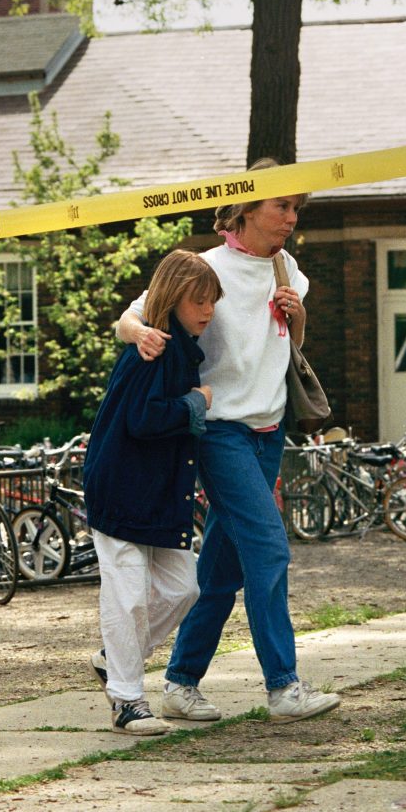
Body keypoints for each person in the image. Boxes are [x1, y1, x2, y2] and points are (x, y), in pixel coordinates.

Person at [116, 159, 341, 724]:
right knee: (268, 546)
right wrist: (142, 332)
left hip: (269, 433)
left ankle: (180, 682)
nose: (291, 217)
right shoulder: (207, 267)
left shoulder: (288, 270)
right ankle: (284, 687)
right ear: (246, 206)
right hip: (220, 433)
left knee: (221, 569)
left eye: (296, 208)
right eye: (281, 205)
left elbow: (281, 348)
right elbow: (131, 316)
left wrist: (299, 314)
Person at [84, 249, 223, 736]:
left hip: (158, 491)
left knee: (183, 588)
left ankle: (113, 658)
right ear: (173, 298)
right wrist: (195, 404)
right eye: (198, 300)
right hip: (120, 487)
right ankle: (127, 699)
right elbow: (142, 419)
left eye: (212, 301)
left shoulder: (180, 347)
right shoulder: (156, 349)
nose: (208, 310)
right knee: (128, 597)